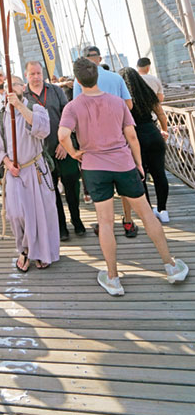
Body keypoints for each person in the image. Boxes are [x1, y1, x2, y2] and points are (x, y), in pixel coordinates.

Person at [58, 58, 188, 296]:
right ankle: (170, 266)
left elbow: (63, 134)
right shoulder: (117, 102)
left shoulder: (73, 107)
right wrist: (138, 163)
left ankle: (113, 278)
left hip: (95, 168)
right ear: (97, 76)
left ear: (77, 81)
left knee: (105, 222)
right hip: (123, 163)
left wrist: (74, 152)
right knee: (147, 215)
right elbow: (132, 136)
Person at [0, 76, 59, 271]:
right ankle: (24, 249)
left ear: (23, 87)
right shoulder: (1, 116)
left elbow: (43, 130)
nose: (11, 89)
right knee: (16, 214)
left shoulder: (36, 108)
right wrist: (7, 163)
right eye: (7, 86)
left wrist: (20, 106)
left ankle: (41, 252)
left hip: (35, 169)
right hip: (14, 172)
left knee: (40, 213)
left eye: (15, 84)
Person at [73, 45, 137, 238]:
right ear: (99, 59)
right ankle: (128, 221)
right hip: (119, 141)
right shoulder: (116, 78)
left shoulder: (80, 82)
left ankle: (104, 225)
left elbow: (78, 109)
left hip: (93, 146)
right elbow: (129, 105)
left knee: (102, 190)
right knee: (125, 185)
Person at [25, 61, 85, 240]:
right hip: (41, 152)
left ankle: (77, 220)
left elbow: (69, 116)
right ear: (26, 75)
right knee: (50, 191)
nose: (36, 77)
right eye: (32, 74)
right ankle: (61, 225)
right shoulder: (24, 97)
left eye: (38, 73)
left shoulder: (55, 91)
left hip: (63, 147)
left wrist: (64, 142)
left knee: (72, 185)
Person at [119, 67, 171, 222]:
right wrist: (164, 130)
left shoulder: (123, 98)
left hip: (136, 137)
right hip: (153, 134)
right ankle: (163, 210)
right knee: (159, 174)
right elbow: (161, 114)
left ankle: (148, 211)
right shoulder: (147, 93)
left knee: (141, 175)